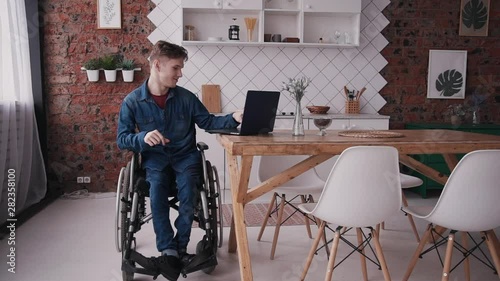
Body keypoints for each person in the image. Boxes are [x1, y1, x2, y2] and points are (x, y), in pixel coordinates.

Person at [116, 40, 242, 281]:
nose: (180, 74)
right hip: (155, 161)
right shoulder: (132, 102)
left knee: (188, 192)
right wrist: (142, 137)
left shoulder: (186, 98)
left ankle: (179, 247)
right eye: (176, 68)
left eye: (181, 68)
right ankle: (168, 249)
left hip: (186, 158)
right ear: (157, 66)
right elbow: (122, 139)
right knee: (157, 190)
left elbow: (208, 122)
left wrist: (233, 118)